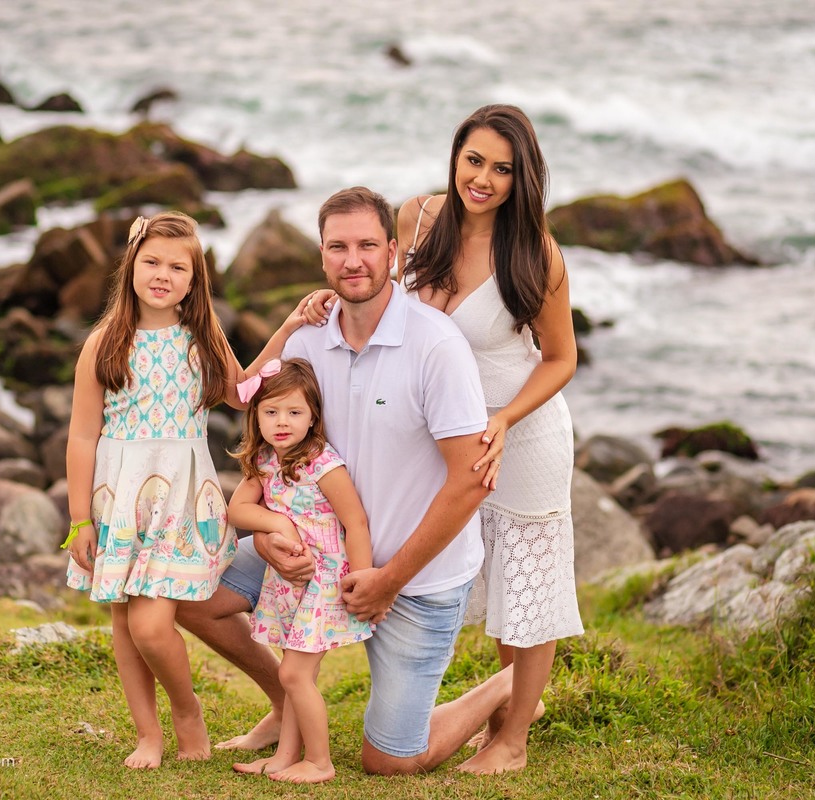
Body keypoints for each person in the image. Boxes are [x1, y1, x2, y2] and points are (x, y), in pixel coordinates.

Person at [176, 186, 522, 776]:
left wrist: (389, 578)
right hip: (317, 556)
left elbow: (471, 482)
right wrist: (264, 536)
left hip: (414, 579)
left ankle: (509, 687)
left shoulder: (435, 345)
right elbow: (259, 425)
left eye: (367, 245)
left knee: (390, 761)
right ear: (321, 256)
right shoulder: (306, 343)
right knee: (188, 592)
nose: (352, 260)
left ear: (393, 253)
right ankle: (287, 697)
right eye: (338, 247)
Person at [63, 211, 304, 769]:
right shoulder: (103, 343)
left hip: (180, 500)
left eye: (178, 267)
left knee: (151, 622)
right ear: (130, 268)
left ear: (194, 281)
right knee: (126, 620)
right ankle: (147, 734)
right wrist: (80, 519)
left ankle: (187, 710)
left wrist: (288, 328)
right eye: (151, 262)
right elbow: (81, 436)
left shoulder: (200, 336)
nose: (162, 274)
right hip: (120, 501)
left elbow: (243, 393)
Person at [398, 103, 584, 774]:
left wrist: (503, 420)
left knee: (527, 585)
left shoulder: (535, 252)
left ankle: (512, 741)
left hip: (522, 433)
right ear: (455, 156)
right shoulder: (415, 219)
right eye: (474, 160)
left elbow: (561, 358)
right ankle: (510, 707)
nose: (482, 178)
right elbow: (394, 313)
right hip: (446, 437)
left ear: (521, 178)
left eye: (501, 169)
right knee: (483, 583)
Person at [227, 357, 372, 783]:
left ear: (313, 417)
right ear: (256, 416)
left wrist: (360, 580)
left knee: (292, 673)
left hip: (325, 580)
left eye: (294, 412)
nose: (282, 422)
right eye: (271, 412)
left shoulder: (322, 462)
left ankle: (320, 761)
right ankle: (284, 757)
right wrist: (278, 522)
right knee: (296, 674)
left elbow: (356, 522)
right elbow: (238, 508)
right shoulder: (265, 460)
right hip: (290, 582)